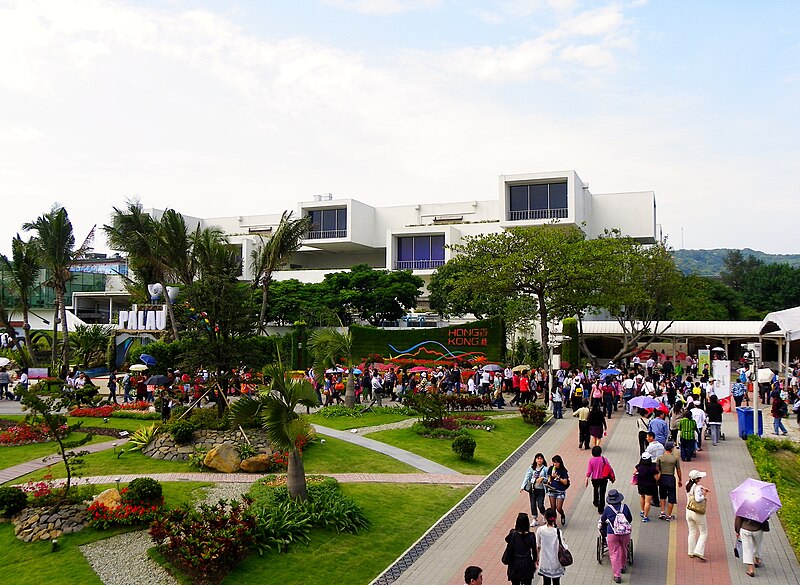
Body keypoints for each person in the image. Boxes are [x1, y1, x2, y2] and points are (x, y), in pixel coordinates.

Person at [600, 489, 633, 584]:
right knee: (624, 548)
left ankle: (617, 575)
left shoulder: (608, 509)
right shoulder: (625, 507)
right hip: (625, 533)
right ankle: (623, 566)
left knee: (614, 553)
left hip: (612, 533)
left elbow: (603, 519)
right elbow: (630, 519)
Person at [536, 508, 568, 585]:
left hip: (545, 562)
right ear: (555, 518)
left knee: (546, 582)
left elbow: (538, 545)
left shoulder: (540, 530)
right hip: (556, 562)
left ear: (545, 518)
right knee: (556, 582)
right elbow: (564, 546)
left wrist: (536, 557)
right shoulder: (557, 532)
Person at [505, 512, 537, 585]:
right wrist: (534, 561)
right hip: (527, 562)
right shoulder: (531, 536)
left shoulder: (513, 534)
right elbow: (534, 551)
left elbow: (507, 540)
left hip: (514, 563)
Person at [686, 469, 709, 560]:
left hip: (689, 511)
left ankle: (691, 551)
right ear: (697, 479)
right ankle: (698, 551)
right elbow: (698, 499)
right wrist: (704, 494)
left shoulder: (688, 484)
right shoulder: (697, 488)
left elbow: (695, 487)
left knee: (692, 531)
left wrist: (701, 487)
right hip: (697, 513)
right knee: (704, 533)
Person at [520, 453, 549, 526]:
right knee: (533, 505)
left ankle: (545, 515)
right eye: (538, 458)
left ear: (543, 460)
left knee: (540, 505)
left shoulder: (545, 469)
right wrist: (522, 486)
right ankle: (534, 519)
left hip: (541, 490)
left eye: (541, 458)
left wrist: (543, 478)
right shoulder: (531, 468)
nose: (539, 460)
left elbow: (549, 479)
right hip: (532, 489)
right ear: (535, 460)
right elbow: (527, 477)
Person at [656, 441, 682, 521]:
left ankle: (662, 512)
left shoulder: (660, 458)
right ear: (671, 449)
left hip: (662, 478)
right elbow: (678, 470)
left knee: (662, 496)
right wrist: (680, 480)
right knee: (671, 497)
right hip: (671, 478)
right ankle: (669, 515)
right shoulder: (675, 459)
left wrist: (658, 478)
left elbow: (657, 469)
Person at [585, 446, 615, 515]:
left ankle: (595, 501)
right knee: (602, 493)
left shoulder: (591, 460)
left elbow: (589, 470)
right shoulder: (604, 459)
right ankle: (601, 509)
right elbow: (609, 468)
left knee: (595, 489)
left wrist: (587, 478)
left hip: (595, 479)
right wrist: (612, 477)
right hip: (603, 478)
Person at [635, 452, 660, 522]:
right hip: (649, 486)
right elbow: (657, 478)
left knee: (642, 497)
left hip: (640, 485)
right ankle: (645, 516)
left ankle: (642, 511)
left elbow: (634, 472)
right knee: (647, 502)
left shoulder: (639, 466)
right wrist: (659, 473)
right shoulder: (652, 468)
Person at [546, 455, 570, 526]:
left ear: (560, 462)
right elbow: (549, 478)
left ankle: (562, 514)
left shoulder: (563, 471)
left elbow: (565, 482)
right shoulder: (551, 469)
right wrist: (549, 481)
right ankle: (554, 522)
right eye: (554, 462)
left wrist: (557, 477)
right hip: (552, 490)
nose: (555, 464)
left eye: (556, 462)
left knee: (558, 508)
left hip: (560, 491)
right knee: (553, 508)